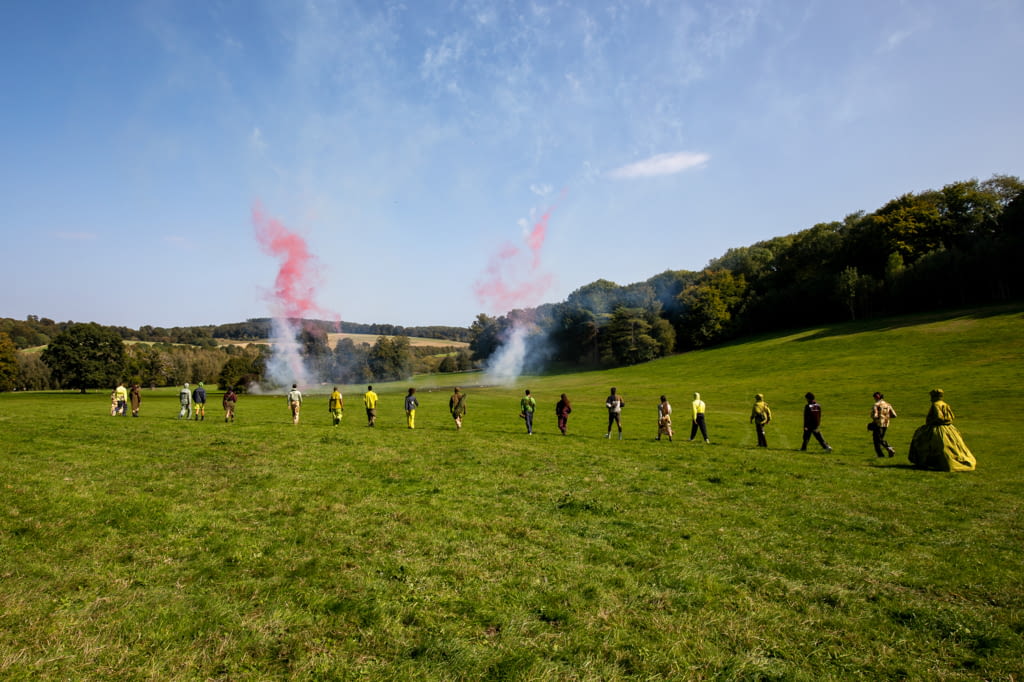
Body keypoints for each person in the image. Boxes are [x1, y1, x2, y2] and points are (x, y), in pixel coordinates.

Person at [908, 389, 976, 471]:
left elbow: (939, 417)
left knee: (923, 441)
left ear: (934, 396)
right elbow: (952, 416)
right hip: (949, 427)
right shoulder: (945, 404)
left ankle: (931, 462)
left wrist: (930, 422)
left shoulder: (936, 405)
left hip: (937, 427)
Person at [870, 391, 897, 457]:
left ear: (876, 397)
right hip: (886, 424)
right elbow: (894, 415)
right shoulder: (888, 404)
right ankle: (881, 454)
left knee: (877, 439)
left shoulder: (876, 405)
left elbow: (875, 415)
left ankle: (888, 449)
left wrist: (874, 420)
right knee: (879, 439)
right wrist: (886, 417)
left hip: (878, 424)